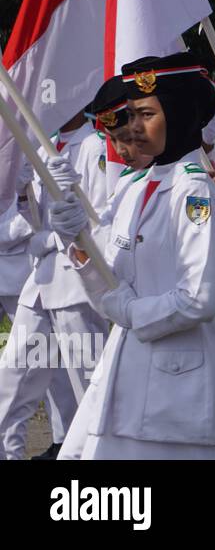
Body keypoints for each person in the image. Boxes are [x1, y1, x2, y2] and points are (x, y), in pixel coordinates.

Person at [53, 53, 215, 459]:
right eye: (132, 114)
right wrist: (77, 238)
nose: (134, 126)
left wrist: (131, 312)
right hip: (127, 382)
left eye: (147, 114)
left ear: (180, 113)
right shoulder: (134, 186)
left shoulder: (195, 191)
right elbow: (111, 280)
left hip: (177, 398)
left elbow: (199, 298)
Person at [0, 108, 102, 459]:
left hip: (76, 284)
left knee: (88, 390)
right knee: (11, 383)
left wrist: (50, 238)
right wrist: (25, 196)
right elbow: (34, 221)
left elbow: (101, 223)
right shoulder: (46, 149)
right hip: (40, 282)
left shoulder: (94, 147)